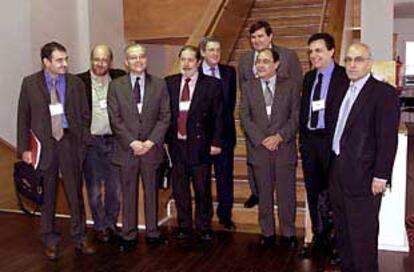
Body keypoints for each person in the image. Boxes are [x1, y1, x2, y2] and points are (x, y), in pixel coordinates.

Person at [17, 41, 95, 260]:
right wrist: (24, 149)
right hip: (45, 146)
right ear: (46, 62)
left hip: (69, 143)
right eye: (59, 60)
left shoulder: (75, 83)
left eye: (66, 59)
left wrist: (83, 141)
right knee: (48, 195)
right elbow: (23, 117)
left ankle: (80, 238)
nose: (64, 64)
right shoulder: (30, 83)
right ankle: (49, 240)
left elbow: (85, 114)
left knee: (74, 194)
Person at [329, 43, 400, 271]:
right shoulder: (342, 89)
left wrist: (381, 176)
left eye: (358, 59)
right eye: (348, 59)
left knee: (363, 240)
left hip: (366, 178)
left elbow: (388, 139)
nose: (352, 64)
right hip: (338, 175)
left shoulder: (383, 93)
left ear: (369, 63)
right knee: (344, 237)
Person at [107, 43, 171, 251]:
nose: (138, 60)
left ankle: (153, 233)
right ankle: (129, 235)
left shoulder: (160, 84)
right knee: (128, 193)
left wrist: (150, 142)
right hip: (127, 150)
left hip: (151, 150)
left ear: (146, 59)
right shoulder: (116, 86)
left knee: (151, 192)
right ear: (126, 62)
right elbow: (115, 119)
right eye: (133, 58)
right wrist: (133, 142)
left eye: (141, 56)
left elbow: (165, 117)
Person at [238, 20, 303, 208]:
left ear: (270, 36)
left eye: (260, 36)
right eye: (253, 37)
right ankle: (256, 192)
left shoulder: (288, 56)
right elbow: (244, 93)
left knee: (284, 187)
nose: (256, 40)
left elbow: (297, 87)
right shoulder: (244, 60)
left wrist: (280, 134)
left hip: (281, 124)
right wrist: (259, 135)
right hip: (257, 127)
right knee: (256, 164)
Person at [239, 48, 300, 247]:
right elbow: (245, 118)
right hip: (260, 149)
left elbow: (295, 116)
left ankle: (289, 233)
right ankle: (267, 232)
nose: (261, 65)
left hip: (284, 148)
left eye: (266, 61)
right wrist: (262, 139)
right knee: (264, 194)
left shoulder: (290, 86)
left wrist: (280, 136)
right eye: (258, 62)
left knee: (286, 195)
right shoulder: (248, 87)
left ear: (276, 64)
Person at [165, 45, 223, 241]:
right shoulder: (169, 83)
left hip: (201, 144)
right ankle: (184, 225)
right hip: (177, 144)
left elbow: (218, 116)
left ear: (199, 62)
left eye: (190, 60)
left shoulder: (212, 85)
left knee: (202, 188)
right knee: (180, 189)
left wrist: (216, 142)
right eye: (183, 59)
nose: (186, 63)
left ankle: (204, 225)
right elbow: (165, 115)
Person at [298, 33, 348, 257]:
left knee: (335, 194)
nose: (313, 55)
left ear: (331, 51)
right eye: (310, 51)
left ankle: (338, 242)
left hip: (332, 142)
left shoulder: (344, 77)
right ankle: (319, 238)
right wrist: (302, 141)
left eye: (318, 50)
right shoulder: (309, 78)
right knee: (313, 192)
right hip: (310, 142)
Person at [77, 45, 125, 242]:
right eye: (97, 59)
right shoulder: (79, 81)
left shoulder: (119, 78)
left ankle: (111, 223)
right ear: (91, 60)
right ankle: (100, 225)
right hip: (92, 143)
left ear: (111, 61)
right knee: (95, 189)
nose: (100, 63)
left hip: (114, 142)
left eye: (104, 59)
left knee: (115, 188)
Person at [199, 36, 237, 230]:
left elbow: (229, 105)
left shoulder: (229, 72)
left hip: (226, 135)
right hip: (202, 138)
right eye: (211, 50)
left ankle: (225, 215)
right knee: (203, 179)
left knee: (225, 178)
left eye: (218, 50)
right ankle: (205, 216)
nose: (215, 53)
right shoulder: (195, 73)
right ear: (203, 52)